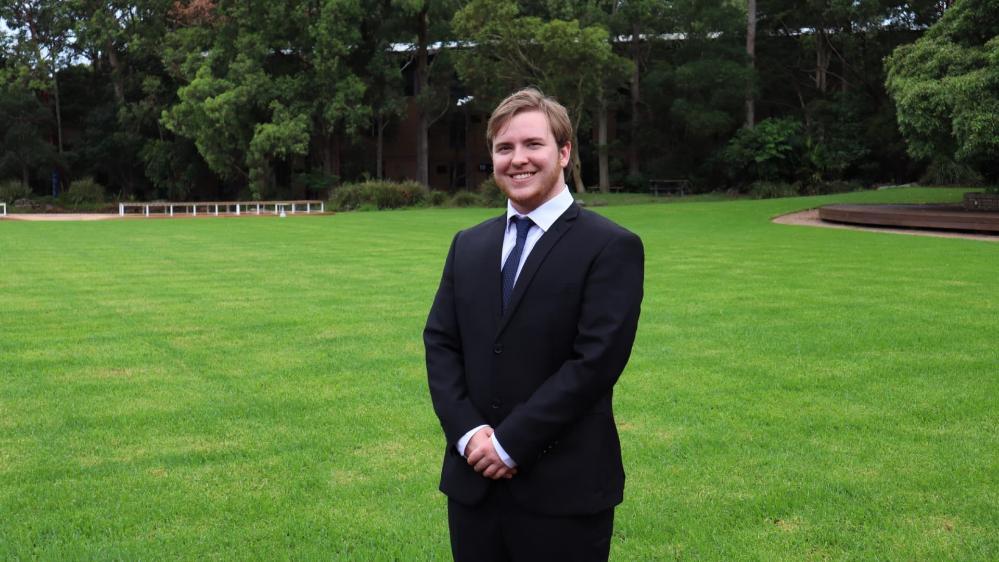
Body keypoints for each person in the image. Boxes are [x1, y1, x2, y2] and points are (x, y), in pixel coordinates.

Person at [424, 87, 644, 561]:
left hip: (563, 492)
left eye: (533, 145)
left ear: (564, 152)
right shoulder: (468, 245)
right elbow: (441, 342)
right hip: (473, 487)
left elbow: (594, 364)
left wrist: (510, 443)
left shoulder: (610, 247)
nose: (517, 159)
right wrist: (467, 434)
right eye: (504, 148)